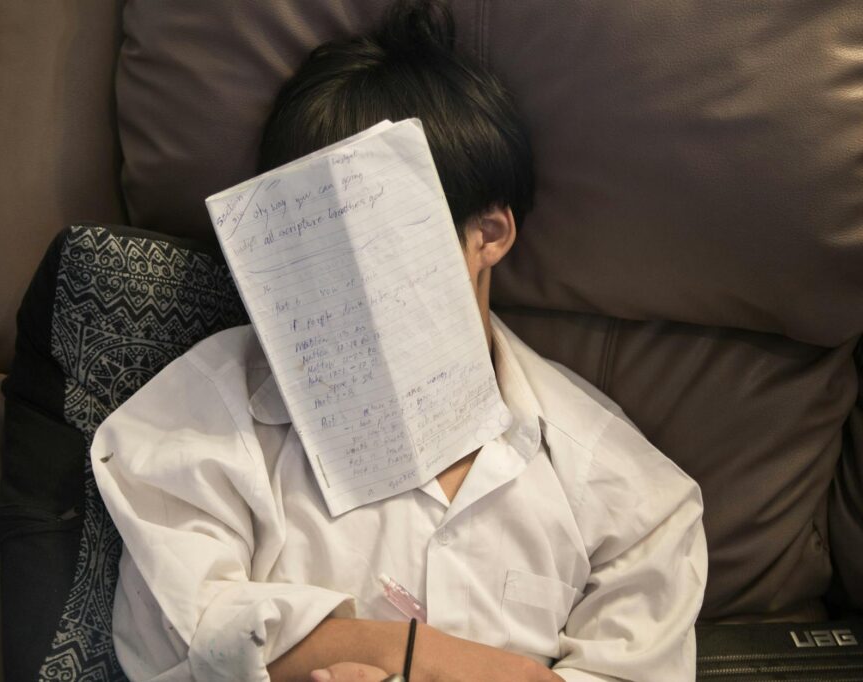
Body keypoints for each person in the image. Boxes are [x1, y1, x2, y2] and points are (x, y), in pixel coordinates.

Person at [91, 2, 707, 680]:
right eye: (306, 242)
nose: (339, 280)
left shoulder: (626, 491)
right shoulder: (204, 411)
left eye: (374, 236)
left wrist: (318, 649)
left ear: (488, 235)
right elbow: (172, 640)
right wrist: (435, 658)